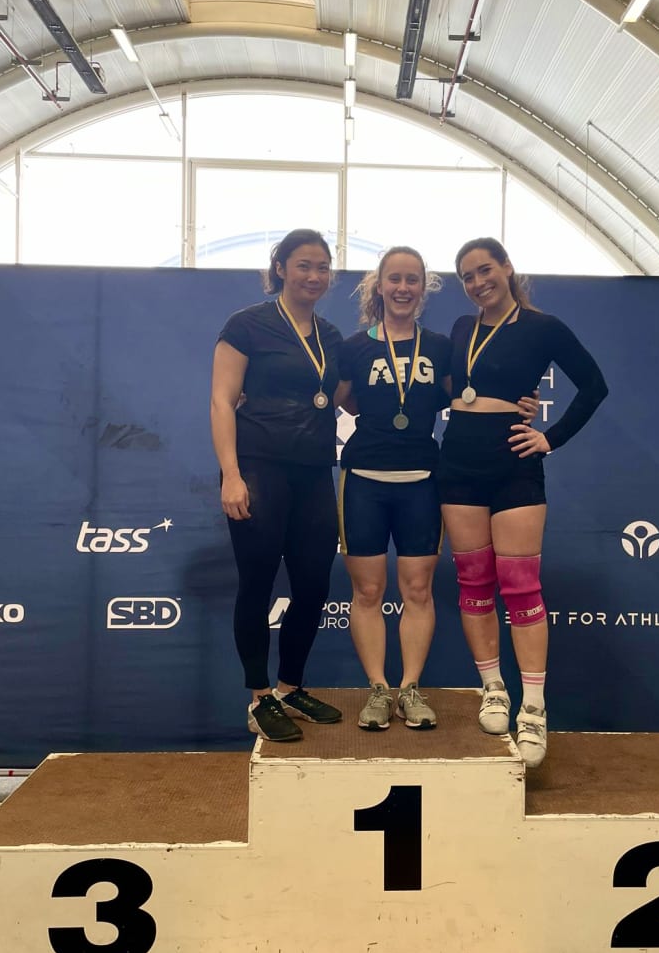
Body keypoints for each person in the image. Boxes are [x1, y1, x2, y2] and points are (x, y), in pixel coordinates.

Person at [336, 246, 541, 733]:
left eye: (412, 280)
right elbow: (341, 398)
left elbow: (471, 395)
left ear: (422, 288)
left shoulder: (441, 346)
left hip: (425, 481)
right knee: (367, 590)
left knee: (418, 589)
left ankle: (409, 687)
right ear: (379, 286)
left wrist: (523, 406)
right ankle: (378, 691)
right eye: (394, 279)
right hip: (363, 478)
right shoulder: (354, 346)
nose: (402, 288)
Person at [438, 236, 608, 767]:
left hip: (513, 462)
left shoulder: (544, 327)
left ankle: (533, 705)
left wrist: (550, 437)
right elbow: (448, 387)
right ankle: (493, 687)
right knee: (473, 581)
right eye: (467, 276)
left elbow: (594, 386)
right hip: (459, 462)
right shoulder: (462, 329)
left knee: (519, 584)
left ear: (507, 268)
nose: (477, 282)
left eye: (485, 270)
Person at [210, 228, 344, 743]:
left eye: (323, 266)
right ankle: (259, 697)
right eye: (304, 265)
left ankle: (291, 688)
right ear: (282, 268)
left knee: (313, 587)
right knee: (258, 583)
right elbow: (222, 401)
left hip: (314, 473)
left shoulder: (330, 337)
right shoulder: (247, 325)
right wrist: (231, 475)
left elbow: (349, 396)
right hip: (259, 469)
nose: (314, 275)